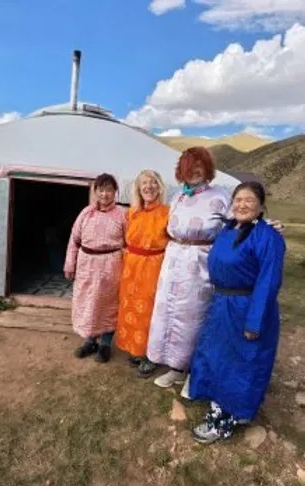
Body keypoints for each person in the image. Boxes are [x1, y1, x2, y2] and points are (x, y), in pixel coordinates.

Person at [188, 182, 286, 444]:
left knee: (239, 364)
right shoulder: (228, 229)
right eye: (238, 200)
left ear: (261, 206)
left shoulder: (268, 238)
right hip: (222, 305)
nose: (242, 205)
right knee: (218, 358)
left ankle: (224, 422)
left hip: (246, 308)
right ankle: (220, 403)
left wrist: (254, 322)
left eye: (249, 200)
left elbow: (268, 282)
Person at [142, 147, 230, 383]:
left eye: (200, 166)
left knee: (192, 317)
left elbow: (237, 225)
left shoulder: (220, 196)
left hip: (199, 263)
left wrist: (263, 226)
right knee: (169, 315)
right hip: (173, 260)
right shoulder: (178, 196)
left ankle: (194, 371)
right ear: (182, 171)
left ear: (208, 169)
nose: (195, 171)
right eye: (190, 167)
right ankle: (176, 369)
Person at [64, 173, 126, 363]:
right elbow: (74, 240)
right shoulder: (86, 213)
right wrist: (70, 263)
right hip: (86, 264)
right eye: (101, 189)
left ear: (115, 192)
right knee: (88, 303)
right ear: (95, 191)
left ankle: (105, 344)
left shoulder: (123, 214)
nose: (105, 194)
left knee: (108, 304)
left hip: (111, 264)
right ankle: (90, 340)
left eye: (109, 190)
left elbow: (131, 242)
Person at [116, 170, 169, 371]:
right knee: (130, 307)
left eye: (153, 182)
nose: (149, 186)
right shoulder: (132, 212)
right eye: (144, 183)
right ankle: (135, 349)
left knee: (150, 310)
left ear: (160, 186)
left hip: (154, 265)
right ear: (138, 188)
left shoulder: (168, 212)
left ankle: (151, 354)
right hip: (131, 266)